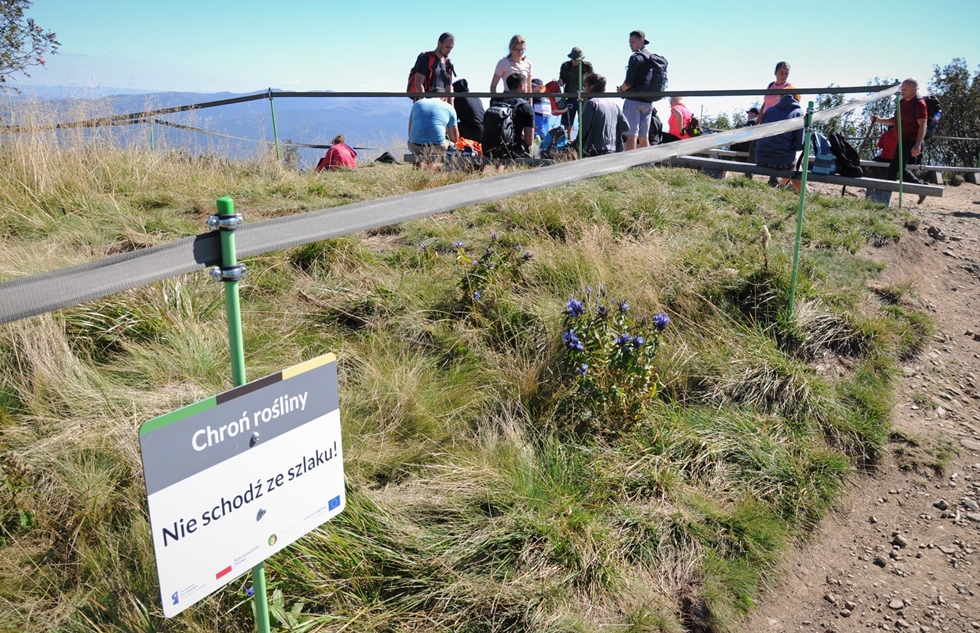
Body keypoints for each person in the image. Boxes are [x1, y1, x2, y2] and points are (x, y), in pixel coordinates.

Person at [871, 78, 928, 186]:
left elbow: (923, 125)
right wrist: (879, 120)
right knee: (898, 169)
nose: (902, 91)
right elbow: (895, 120)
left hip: (911, 141)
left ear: (915, 89)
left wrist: (917, 145)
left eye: (905, 89)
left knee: (894, 169)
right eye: (902, 88)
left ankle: (885, 196)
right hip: (901, 140)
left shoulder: (919, 103)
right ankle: (921, 187)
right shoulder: (902, 102)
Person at [754, 93, 804, 192]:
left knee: (793, 161)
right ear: (797, 99)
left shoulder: (769, 110)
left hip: (761, 159)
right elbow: (799, 144)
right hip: (782, 162)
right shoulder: (798, 112)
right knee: (797, 164)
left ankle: (782, 186)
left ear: (780, 97)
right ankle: (803, 194)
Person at [617, 30, 656, 151]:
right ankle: (648, 163)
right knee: (644, 137)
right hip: (649, 101)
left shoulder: (635, 58)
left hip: (633, 101)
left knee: (631, 136)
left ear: (642, 41)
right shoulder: (652, 57)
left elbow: (629, 82)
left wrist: (621, 89)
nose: (630, 44)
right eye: (630, 42)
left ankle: (629, 165)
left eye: (633, 42)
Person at [482, 73, 535, 160]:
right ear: (522, 87)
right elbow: (529, 141)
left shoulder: (494, 100)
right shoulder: (526, 107)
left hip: (489, 148)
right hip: (512, 152)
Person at [580, 74, 628, 156]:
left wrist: (575, 144)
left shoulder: (592, 104)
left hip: (594, 150)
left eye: (584, 87)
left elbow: (583, 130)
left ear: (591, 87)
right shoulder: (614, 105)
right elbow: (626, 126)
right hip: (612, 149)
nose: (583, 90)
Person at [407, 87, 459, 161]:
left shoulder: (417, 103)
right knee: (452, 145)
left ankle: (417, 169)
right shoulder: (449, 107)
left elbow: (410, 133)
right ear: (444, 98)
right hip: (438, 147)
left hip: (414, 146)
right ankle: (437, 170)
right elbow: (455, 138)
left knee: (416, 140)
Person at [559, 46, 594, 139]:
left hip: (584, 97)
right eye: (573, 59)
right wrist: (561, 81)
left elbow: (592, 79)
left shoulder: (587, 66)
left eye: (577, 59)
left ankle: (581, 140)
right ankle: (568, 140)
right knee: (568, 122)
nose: (575, 61)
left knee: (583, 120)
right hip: (569, 96)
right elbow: (561, 78)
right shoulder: (566, 66)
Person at [410, 33, 456, 101]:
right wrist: (424, 104)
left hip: (442, 106)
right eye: (447, 47)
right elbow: (418, 84)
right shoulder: (426, 58)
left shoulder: (448, 63)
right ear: (439, 44)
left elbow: (449, 89)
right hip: (427, 104)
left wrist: (451, 110)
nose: (449, 50)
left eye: (451, 48)